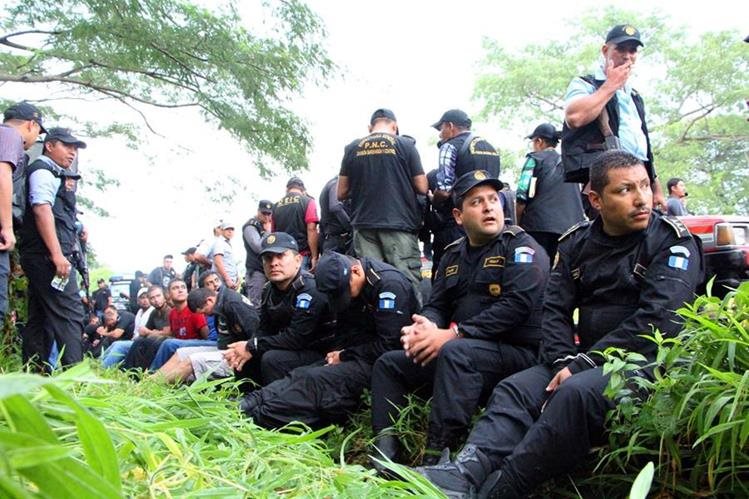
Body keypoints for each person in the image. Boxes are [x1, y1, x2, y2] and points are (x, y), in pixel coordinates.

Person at [416, 150, 704, 498]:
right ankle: (464, 472)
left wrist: (584, 364)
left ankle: (502, 488)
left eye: (644, 185)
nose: (641, 198)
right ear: (596, 199)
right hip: (582, 360)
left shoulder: (672, 240)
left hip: (649, 362)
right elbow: (554, 311)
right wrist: (563, 360)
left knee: (574, 394)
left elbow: (659, 319)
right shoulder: (575, 243)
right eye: (624, 190)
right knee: (516, 389)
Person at [371, 170, 549, 466]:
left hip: (518, 353)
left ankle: (437, 457)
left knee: (455, 352)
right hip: (465, 352)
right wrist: (425, 327)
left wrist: (454, 334)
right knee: (388, 364)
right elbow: (437, 304)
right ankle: (384, 457)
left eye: (494, 199)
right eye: (477, 202)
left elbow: (518, 305)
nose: (489, 207)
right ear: (458, 215)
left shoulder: (521, 247)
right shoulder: (452, 255)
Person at [235, 251, 419, 429]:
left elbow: (389, 346)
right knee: (300, 373)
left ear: (355, 271)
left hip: (382, 363)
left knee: (314, 379)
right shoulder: (347, 284)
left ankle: (259, 418)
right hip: (357, 353)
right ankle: (249, 404)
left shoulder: (389, 286)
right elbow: (344, 330)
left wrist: (345, 355)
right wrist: (335, 355)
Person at [562, 24, 665, 211]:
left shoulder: (634, 95)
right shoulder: (586, 84)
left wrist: (655, 185)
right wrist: (610, 86)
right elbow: (574, 117)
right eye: (620, 49)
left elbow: (642, 146)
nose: (627, 56)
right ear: (605, 50)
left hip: (638, 177)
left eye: (632, 51)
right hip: (607, 179)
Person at [223, 232, 334, 388]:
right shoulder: (268, 289)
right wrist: (248, 346)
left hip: (319, 352)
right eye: (268, 258)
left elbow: (296, 338)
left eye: (280, 256)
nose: (273, 263)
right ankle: (248, 403)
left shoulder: (309, 289)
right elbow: (263, 329)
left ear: (298, 260)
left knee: (271, 358)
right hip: (290, 347)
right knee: (243, 354)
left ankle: (277, 405)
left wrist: (252, 345)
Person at [338, 108, 427, 299]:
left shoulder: (352, 148)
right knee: (406, 281)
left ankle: (376, 325)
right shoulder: (405, 145)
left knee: (372, 281)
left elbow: (341, 192)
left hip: (364, 226)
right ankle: (412, 326)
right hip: (399, 225)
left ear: (370, 127)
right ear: (394, 126)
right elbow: (422, 186)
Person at [19, 127, 87, 370]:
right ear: (49, 145)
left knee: (41, 317)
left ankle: (33, 375)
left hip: (39, 256)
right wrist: (58, 255)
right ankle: (77, 378)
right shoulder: (44, 170)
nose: (72, 153)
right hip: (49, 257)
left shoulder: (53, 172)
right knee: (70, 314)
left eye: (75, 149)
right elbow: (41, 209)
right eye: (67, 146)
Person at [152, 272, 259, 384]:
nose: (207, 315)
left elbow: (256, 334)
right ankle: (146, 384)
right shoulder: (220, 301)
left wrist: (245, 348)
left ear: (209, 300)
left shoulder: (233, 303)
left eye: (205, 312)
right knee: (181, 353)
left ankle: (154, 390)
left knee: (193, 360)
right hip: (224, 348)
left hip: (241, 354)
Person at [0, 102, 46, 316]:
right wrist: (8, 227)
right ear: (31, 124)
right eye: (38, 131)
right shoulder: (10, 136)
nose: (37, 137)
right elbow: (2, 175)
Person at [516, 123, 586, 259]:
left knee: (528, 267)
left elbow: (521, 195)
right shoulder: (569, 163)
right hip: (570, 231)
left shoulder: (534, 159)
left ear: (539, 141)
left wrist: (516, 224)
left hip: (536, 228)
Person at [102, 284, 169, 368]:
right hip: (143, 340)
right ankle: (99, 363)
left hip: (155, 343)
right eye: (152, 298)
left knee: (120, 346)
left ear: (164, 296)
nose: (156, 300)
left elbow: (167, 333)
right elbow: (142, 331)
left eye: (158, 296)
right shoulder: (151, 312)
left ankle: (102, 369)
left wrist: (149, 332)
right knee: (116, 343)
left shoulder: (168, 311)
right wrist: (151, 332)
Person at [272, 177, 319, 271]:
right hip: (301, 255)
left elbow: (273, 234)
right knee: (302, 283)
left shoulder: (276, 206)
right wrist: (314, 256)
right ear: (303, 190)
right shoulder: (308, 201)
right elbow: (311, 229)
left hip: (282, 255)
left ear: (287, 189)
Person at [242, 200, 273, 306]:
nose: (267, 217)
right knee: (257, 305)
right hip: (256, 272)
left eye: (269, 214)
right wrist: (268, 232)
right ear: (258, 211)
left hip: (269, 270)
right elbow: (259, 247)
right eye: (264, 213)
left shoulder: (270, 225)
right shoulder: (251, 226)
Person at [318, 175, 353, 255]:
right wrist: (351, 228)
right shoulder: (336, 184)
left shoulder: (331, 184)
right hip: (337, 240)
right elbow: (335, 207)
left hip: (331, 239)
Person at [212, 222, 240, 290]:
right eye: (227, 229)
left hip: (231, 282)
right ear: (221, 231)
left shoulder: (228, 244)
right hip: (223, 282)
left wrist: (238, 279)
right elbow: (218, 262)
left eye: (232, 229)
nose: (230, 231)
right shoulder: (219, 242)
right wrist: (227, 279)